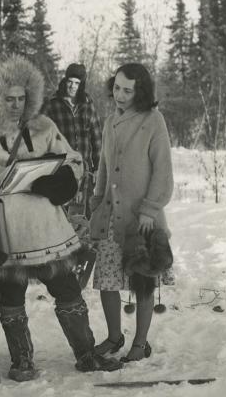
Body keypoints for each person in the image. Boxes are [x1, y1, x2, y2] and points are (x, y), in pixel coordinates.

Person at [0, 55, 122, 382]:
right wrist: (13, 176)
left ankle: (86, 354)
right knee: (11, 294)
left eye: (22, 98)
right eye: (10, 99)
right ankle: (22, 361)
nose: (17, 105)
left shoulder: (43, 126)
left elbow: (73, 158)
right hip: (4, 227)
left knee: (67, 286)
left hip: (46, 226)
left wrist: (65, 179)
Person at [89, 63, 174, 363]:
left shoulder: (153, 120)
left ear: (140, 91)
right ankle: (114, 337)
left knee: (142, 280)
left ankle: (140, 343)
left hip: (142, 219)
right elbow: (103, 165)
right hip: (112, 214)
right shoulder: (111, 120)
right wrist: (97, 201)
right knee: (107, 280)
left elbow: (163, 170)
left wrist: (151, 209)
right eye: (116, 88)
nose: (120, 95)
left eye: (128, 90)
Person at [42, 63, 102, 219]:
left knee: (85, 213)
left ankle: (85, 241)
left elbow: (96, 138)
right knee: (62, 215)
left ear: (81, 84)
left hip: (85, 170)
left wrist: (98, 166)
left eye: (77, 83)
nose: (73, 86)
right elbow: (42, 138)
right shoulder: (53, 104)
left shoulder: (88, 104)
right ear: (65, 80)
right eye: (70, 81)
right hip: (62, 170)